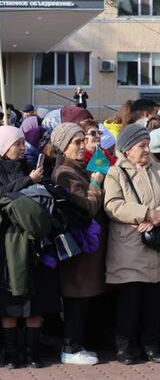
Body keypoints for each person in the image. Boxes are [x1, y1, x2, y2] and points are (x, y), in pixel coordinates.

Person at [0, 125, 57, 369]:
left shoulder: (30, 166)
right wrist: (29, 181)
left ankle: (32, 350)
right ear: (4, 149)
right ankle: (11, 352)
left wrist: (38, 180)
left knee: (37, 300)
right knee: (10, 301)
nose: (22, 147)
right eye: (17, 144)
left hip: (36, 241)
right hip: (10, 242)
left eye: (22, 142)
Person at [103, 124, 160, 365]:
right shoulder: (116, 173)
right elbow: (113, 205)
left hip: (154, 245)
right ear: (127, 149)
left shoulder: (157, 168)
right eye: (141, 146)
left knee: (153, 303)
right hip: (129, 245)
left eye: (147, 145)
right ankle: (125, 347)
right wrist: (146, 213)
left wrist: (157, 217)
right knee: (130, 302)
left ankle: (151, 345)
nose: (147, 150)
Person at [50, 123, 106, 366]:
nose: (83, 146)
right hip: (77, 246)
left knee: (82, 298)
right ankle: (70, 347)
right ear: (63, 146)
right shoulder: (65, 173)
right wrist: (95, 184)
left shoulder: (76, 169)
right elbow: (86, 208)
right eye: (77, 142)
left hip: (86, 247)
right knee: (76, 296)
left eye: (84, 140)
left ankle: (77, 344)